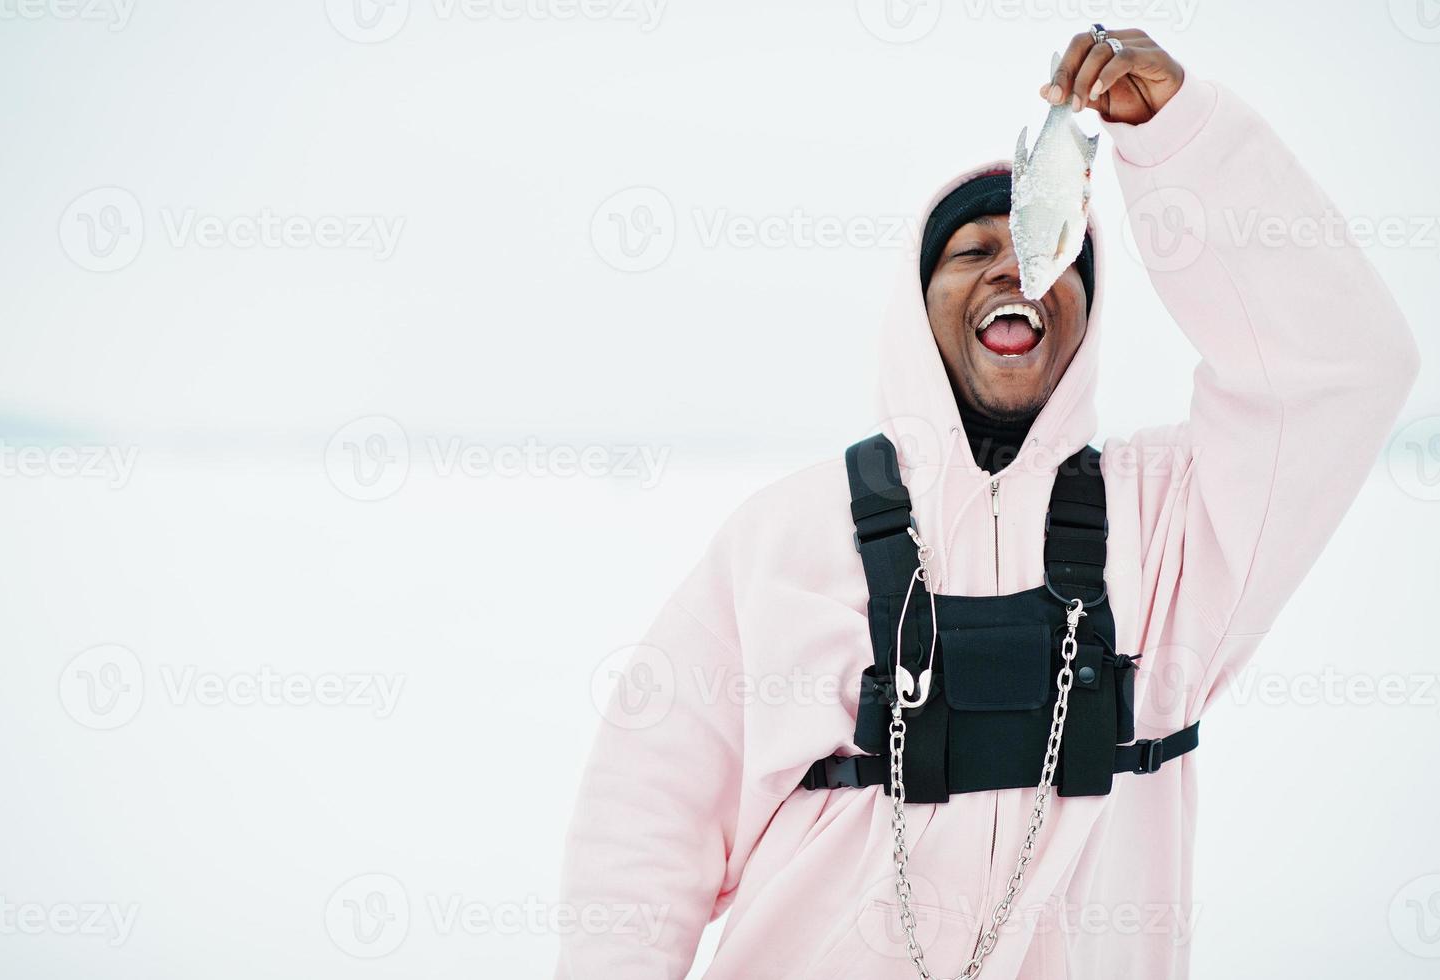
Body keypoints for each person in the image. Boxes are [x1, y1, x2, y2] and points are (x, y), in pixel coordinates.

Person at [555, 26, 1420, 979]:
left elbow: (1337, 370)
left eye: (1044, 249)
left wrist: (1180, 146)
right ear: (915, 303)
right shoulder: (786, 539)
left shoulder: (1174, 529)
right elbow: (643, 828)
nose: (1014, 269)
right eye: (971, 251)